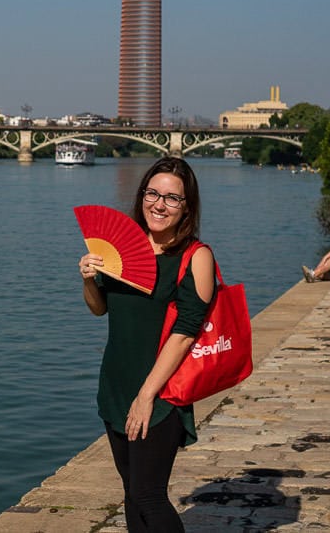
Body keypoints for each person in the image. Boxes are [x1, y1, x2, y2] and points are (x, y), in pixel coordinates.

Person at [78, 157, 215, 531]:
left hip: (159, 392)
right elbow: (99, 309)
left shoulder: (195, 256)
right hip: (115, 386)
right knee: (131, 495)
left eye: (172, 198)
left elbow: (186, 331)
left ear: (188, 206)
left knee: (149, 495)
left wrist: (146, 395)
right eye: (152, 193)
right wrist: (90, 279)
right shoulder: (122, 248)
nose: (159, 204)